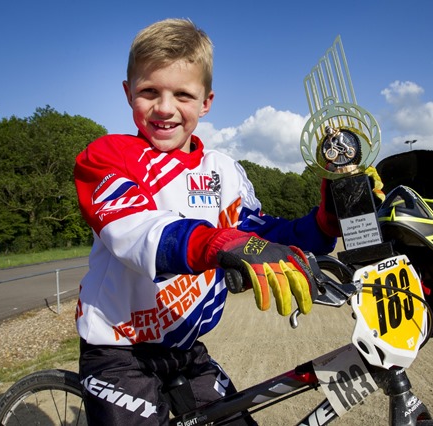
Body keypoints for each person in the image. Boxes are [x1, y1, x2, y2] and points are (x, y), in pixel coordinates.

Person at [73, 18, 339, 425]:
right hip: (118, 351)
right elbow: (138, 230)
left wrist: (325, 222)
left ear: (206, 102)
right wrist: (219, 245)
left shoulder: (224, 170)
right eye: (149, 91)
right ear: (128, 94)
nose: (164, 108)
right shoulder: (107, 156)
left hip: (186, 349)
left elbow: (260, 233)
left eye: (182, 94)